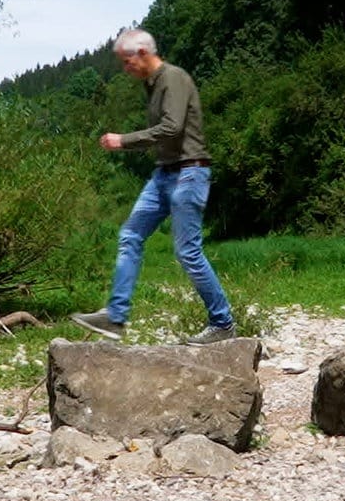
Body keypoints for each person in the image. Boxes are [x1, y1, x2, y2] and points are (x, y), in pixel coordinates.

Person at [71, 28, 236, 345]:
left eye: (127, 61)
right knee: (130, 235)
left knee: (187, 251)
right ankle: (115, 318)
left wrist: (124, 140)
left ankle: (222, 322)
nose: (125, 68)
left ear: (144, 53)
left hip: (189, 173)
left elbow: (172, 128)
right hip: (164, 174)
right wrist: (126, 144)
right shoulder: (152, 84)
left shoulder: (173, 78)